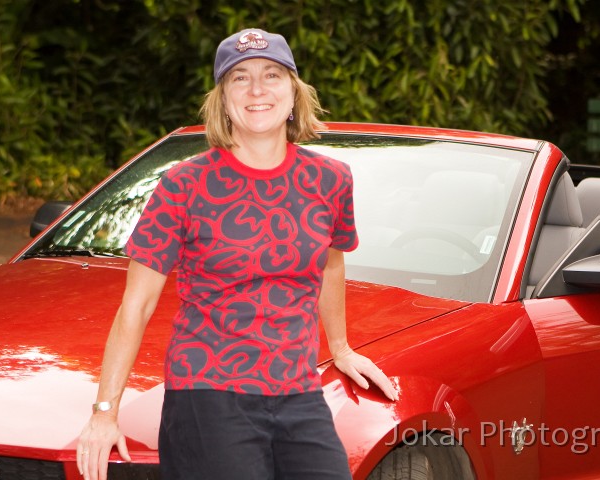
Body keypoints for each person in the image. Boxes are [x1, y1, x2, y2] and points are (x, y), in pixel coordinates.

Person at [76, 28, 397, 480]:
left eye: (271, 75)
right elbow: (137, 303)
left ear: (294, 92)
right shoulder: (183, 185)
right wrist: (105, 411)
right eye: (239, 78)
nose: (257, 89)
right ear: (223, 100)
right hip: (208, 392)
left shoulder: (330, 180)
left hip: (298, 391)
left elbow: (331, 260)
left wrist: (340, 348)